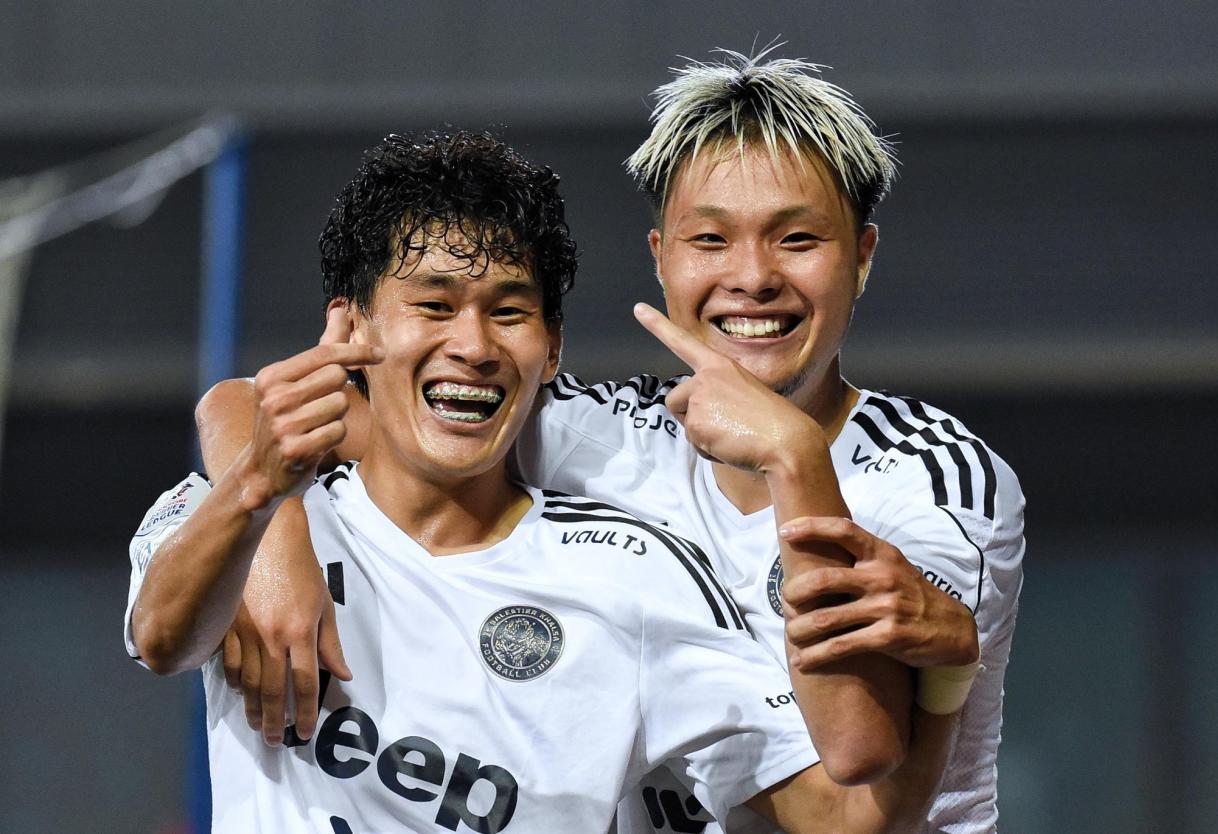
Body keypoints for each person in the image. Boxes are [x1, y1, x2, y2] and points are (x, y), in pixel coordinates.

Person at [197, 50, 1022, 832]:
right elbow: (244, 405)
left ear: (864, 255)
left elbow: (858, 762)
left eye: (797, 239)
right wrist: (275, 539)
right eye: (710, 240)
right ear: (661, 261)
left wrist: (792, 455)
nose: (753, 276)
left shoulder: (933, 484)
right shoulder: (597, 433)